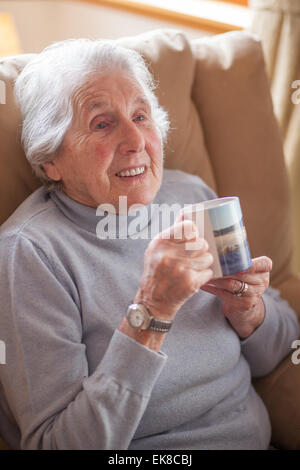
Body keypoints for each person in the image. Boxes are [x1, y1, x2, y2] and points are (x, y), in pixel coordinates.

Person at [0, 38, 298, 450]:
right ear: (51, 160)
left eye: (141, 116)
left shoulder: (191, 195)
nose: (135, 141)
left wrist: (250, 311)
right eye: (102, 123)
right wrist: (151, 313)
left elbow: (278, 349)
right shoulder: (30, 254)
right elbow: (56, 443)